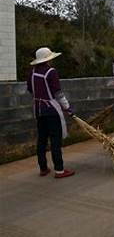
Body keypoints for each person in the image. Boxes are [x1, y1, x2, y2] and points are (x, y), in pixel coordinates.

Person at [27, 47, 75, 178]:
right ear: (48, 59)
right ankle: (59, 170)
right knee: (55, 140)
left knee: (42, 139)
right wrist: (67, 107)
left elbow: (30, 90)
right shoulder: (51, 72)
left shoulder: (32, 73)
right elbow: (58, 93)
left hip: (38, 109)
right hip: (51, 110)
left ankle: (43, 168)